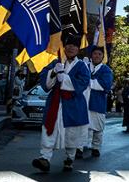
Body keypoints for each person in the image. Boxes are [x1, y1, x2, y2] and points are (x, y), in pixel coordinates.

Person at [32, 35, 91, 173]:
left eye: (74, 46)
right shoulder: (55, 62)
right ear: (64, 47)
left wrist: (65, 79)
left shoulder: (82, 66)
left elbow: (83, 83)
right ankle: (44, 158)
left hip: (73, 103)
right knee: (49, 128)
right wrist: (53, 72)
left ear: (78, 49)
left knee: (71, 133)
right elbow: (45, 82)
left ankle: (69, 158)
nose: (71, 48)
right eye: (69, 45)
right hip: (55, 102)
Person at [84, 47, 114, 157]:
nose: (97, 56)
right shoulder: (85, 67)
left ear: (103, 56)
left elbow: (105, 85)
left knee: (98, 128)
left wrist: (87, 82)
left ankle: (96, 147)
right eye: (95, 53)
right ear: (91, 55)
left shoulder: (106, 70)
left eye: (99, 54)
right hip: (84, 102)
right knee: (82, 127)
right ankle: (80, 147)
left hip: (98, 103)